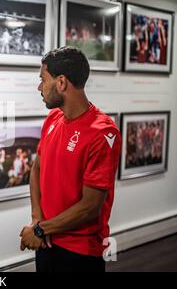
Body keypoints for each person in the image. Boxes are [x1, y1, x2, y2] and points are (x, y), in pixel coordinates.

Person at [19, 46, 121, 272]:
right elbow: (37, 169)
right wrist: (37, 220)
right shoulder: (53, 117)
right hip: (46, 239)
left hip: (80, 252)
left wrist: (39, 230)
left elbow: (90, 207)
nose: (39, 87)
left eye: (43, 80)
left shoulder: (103, 132)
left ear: (61, 82)